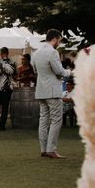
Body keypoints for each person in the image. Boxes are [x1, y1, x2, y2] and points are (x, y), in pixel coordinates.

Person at [31, 29, 72, 159]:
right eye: (59, 40)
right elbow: (59, 71)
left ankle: (43, 149)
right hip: (53, 90)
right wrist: (70, 72)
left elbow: (35, 69)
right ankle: (51, 149)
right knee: (56, 120)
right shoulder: (53, 52)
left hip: (41, 90)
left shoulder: (36, 52)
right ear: (54, 39)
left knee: (43, 120)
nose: (59, 43)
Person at [0, 47, 16, 131]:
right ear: (8, 53)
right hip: (7, 88)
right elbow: (16, 76)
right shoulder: (13, 63)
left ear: (1, 54)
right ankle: (2, 126)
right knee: (5, 108)